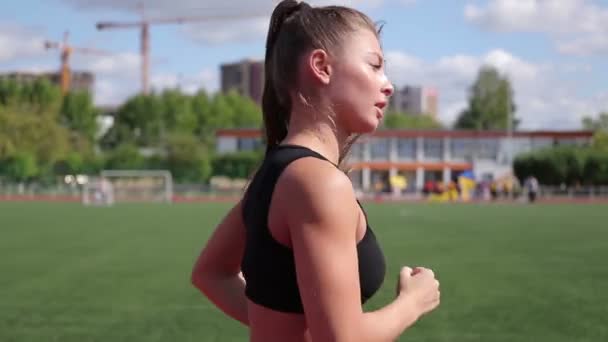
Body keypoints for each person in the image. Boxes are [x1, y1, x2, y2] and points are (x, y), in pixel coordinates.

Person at [190, 1, 440, 341]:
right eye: (375, 65)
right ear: (321, 66)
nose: (388, 85)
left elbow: (211, 275)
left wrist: (283, 328)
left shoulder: (276, 173)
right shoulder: (319, 183)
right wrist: (413, 302)